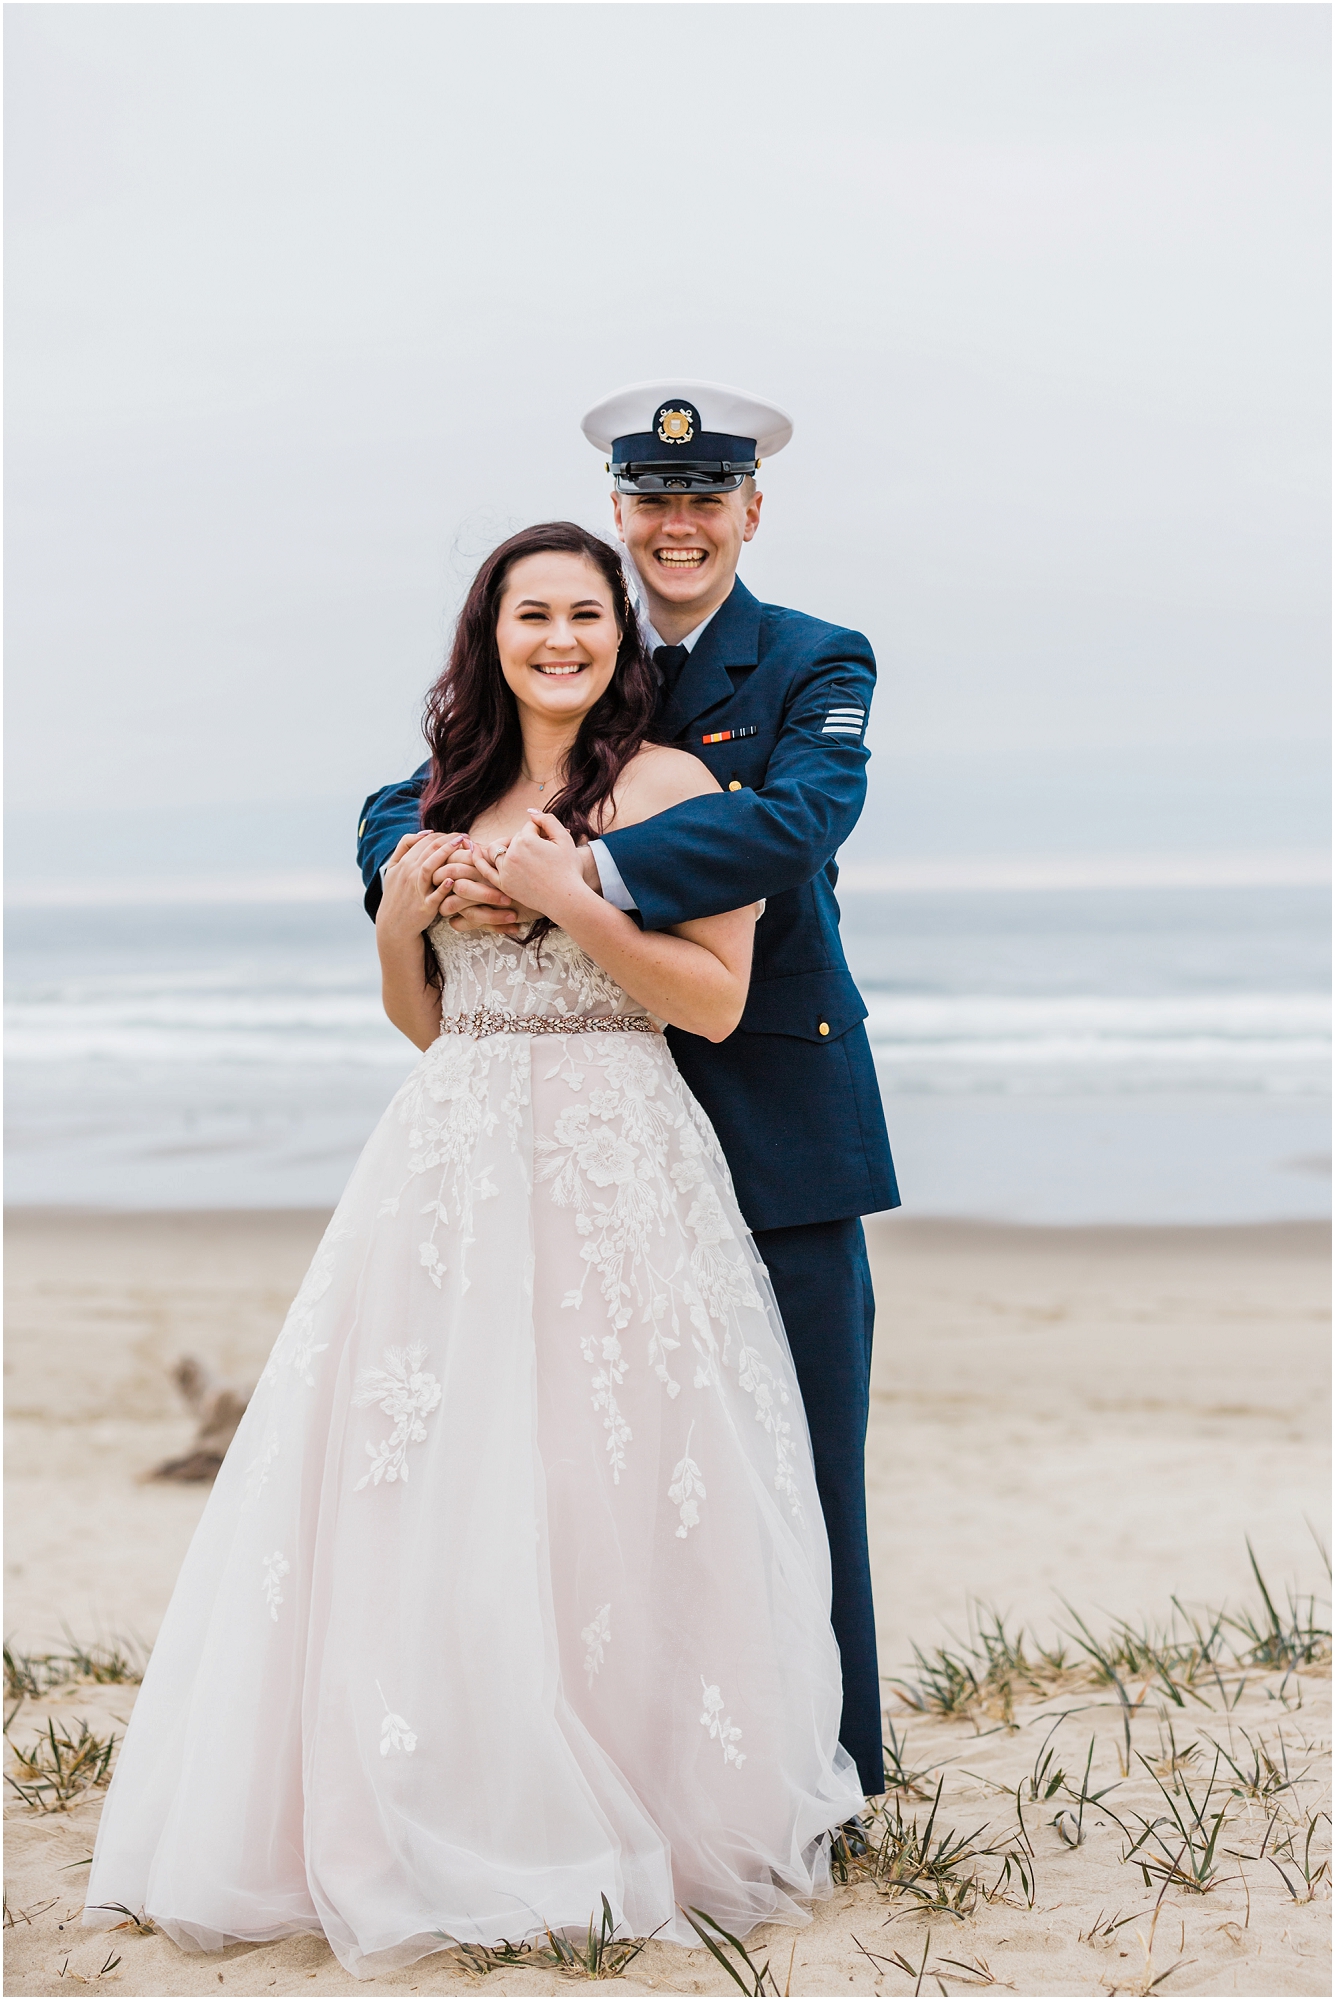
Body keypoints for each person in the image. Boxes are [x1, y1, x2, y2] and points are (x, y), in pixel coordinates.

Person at [83, 522, 863, 1980]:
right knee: (427, 1480)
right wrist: (398, 917)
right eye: (530, 614)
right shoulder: (437, 798)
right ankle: (442, 1784)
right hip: (447, 1159)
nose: (558, 636)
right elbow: (426, 1020)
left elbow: (706, 1003)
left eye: (586, 612)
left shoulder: (676, 787)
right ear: (487, 637)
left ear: (623, 637)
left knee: (600, 1466)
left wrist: (578, 898)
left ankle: (630, 1790)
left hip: (618, 1153)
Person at [358, 382, 900, 1800]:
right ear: (619, 513)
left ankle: (830, 1775)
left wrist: (567, 885)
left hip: (765, 1109)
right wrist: (416, 879)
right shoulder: (580, 640)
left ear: (750, 513)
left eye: (704, 500)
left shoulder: (809, 661)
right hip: (571, 1132)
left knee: (793, 1459)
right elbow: (423, 787)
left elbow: (796, 824)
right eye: (653, 502)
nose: (678, 525)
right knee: (572, 1468)